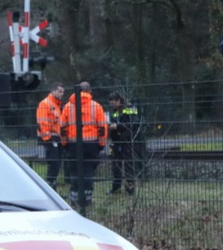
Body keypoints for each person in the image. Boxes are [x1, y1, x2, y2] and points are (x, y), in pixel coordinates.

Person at [61, 81, 108, 210]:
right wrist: (101, 143)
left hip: (73, 143)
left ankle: (74, 197)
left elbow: (62, 127)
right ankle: (87, 198)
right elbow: (102, 127)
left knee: (75, 170)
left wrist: (65, 143)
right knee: (88, 171)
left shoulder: (68, 107)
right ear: (89, 91)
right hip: (91, 144)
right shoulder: (96, 106)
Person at [106, 91, 146, 194]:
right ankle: (116, 188)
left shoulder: (129, 108)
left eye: (114, 103)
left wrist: (118, 126)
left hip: (128, 141)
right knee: (116, 166)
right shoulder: (114, 111)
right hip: (116, 141)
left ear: (119, 100)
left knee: (129, 166)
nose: (113, 106)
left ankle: (130, 189)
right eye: (111, 104)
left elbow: (133, 124)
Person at [34, 84, 67, 186]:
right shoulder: (45, 104)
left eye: (62, 92)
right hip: (50, 137)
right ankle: (50, 182)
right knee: (54, 162)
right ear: (53, 91)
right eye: (60, 91)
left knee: (57, 162)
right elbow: (42, 122)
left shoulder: (57, 105)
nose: (61, 94)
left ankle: (52, 182)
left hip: (57, 137)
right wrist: (48, 138)